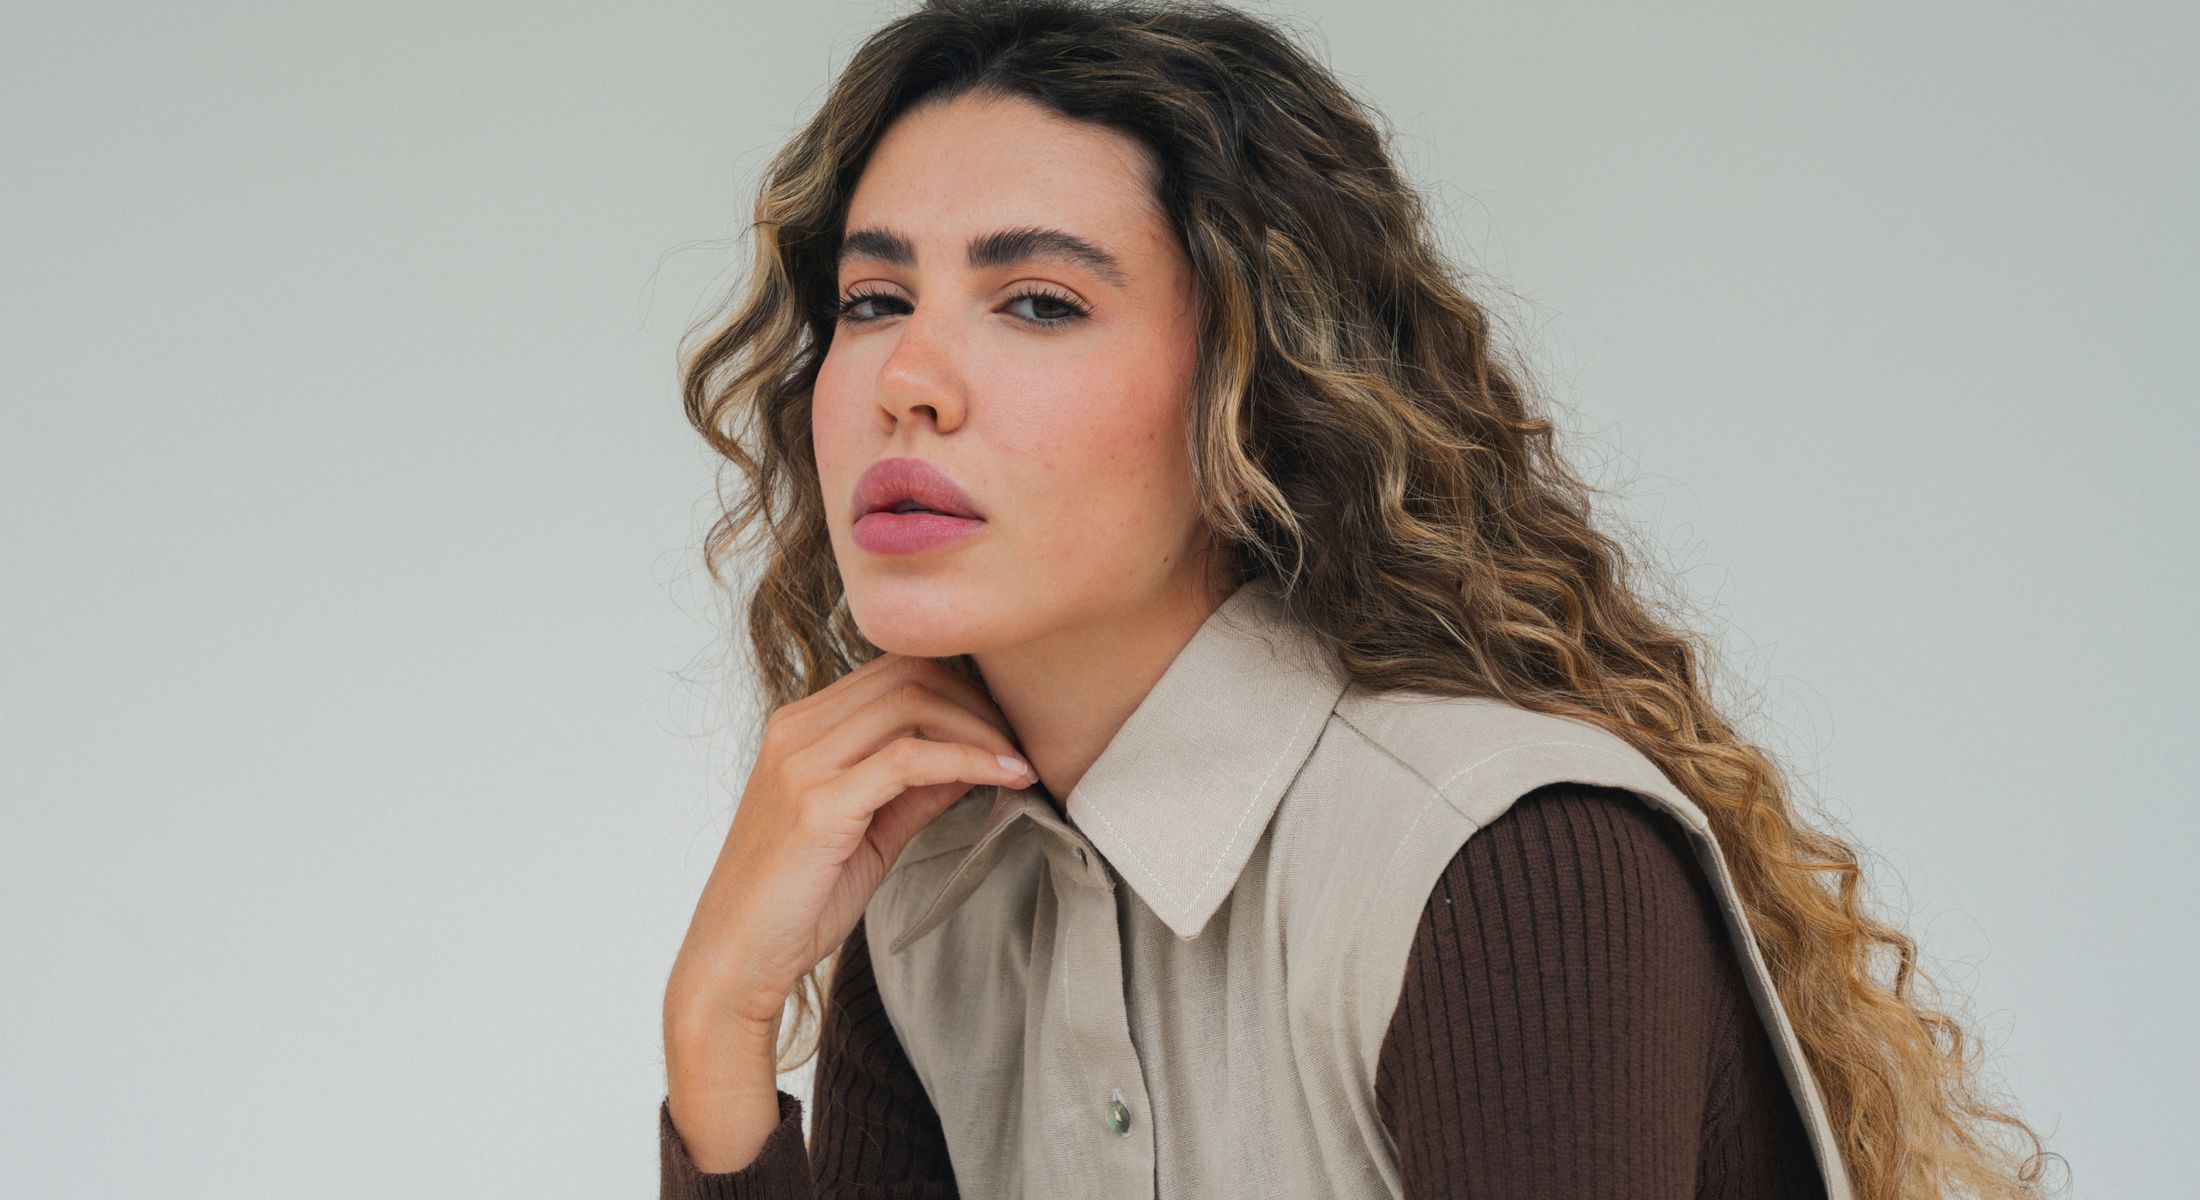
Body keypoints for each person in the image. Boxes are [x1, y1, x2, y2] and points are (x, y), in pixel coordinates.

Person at [657, 2, 2062, 1197]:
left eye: (1038, 303)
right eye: (872, 300)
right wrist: (720, 1036)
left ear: (1252, 396)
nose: (909, 379)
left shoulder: (1506, 862)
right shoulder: (934, 903)